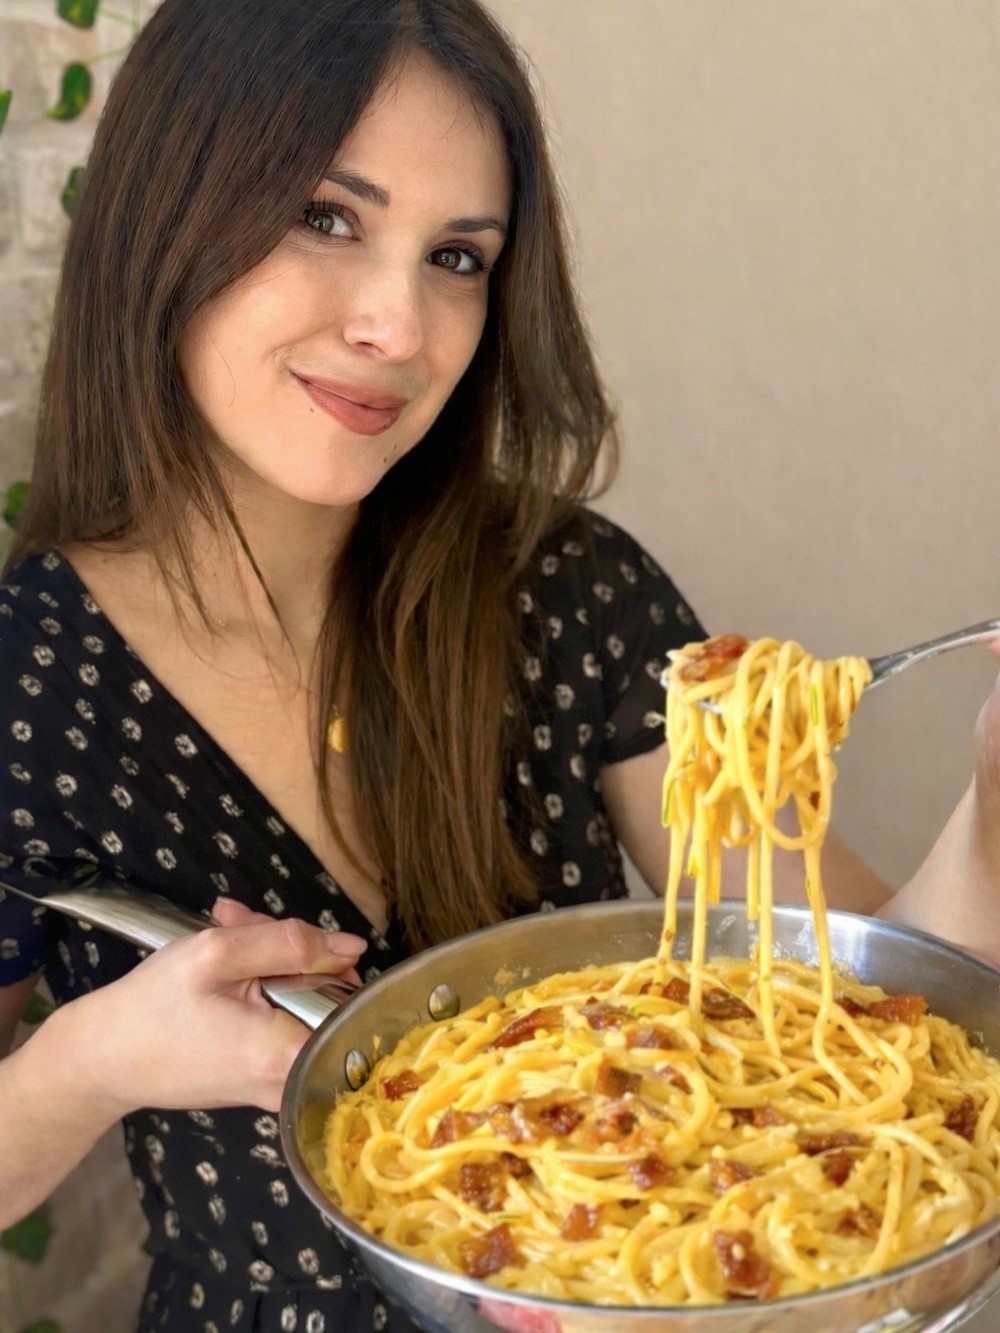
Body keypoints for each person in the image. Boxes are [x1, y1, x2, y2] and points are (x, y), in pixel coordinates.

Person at [0, 1, 997, 1329]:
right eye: (328, 217)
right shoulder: (29, 679)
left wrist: (993, 801)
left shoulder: (563, 583)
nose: (399, 327)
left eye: (458, 256)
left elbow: (867, 1006)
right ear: (166, 214)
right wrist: (97, 1056)